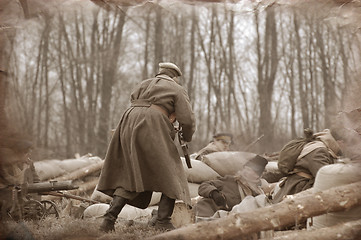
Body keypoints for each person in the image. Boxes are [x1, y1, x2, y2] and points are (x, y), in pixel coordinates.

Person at [97, 62, 196, 232]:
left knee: (131, 174)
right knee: (173, 173)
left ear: (160, 72)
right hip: (151, 125)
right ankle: (162, 221)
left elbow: (137, 103)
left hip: (128, 123)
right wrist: (186, 137)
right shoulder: (176, 89)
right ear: (174, 76)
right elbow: (187, 119)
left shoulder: (143, 84)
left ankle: (109, 219)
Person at [272, 129, 341, 203]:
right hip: (298, 189)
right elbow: (324, 177)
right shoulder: (319, 150)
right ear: (339, 142)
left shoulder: (320, 147)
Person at [193, 155, 268, 218]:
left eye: (249, 170)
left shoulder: (259, 195)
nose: (245, 171)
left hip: (230, 219)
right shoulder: (230, 181)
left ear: (257, 175)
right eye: (245, 168)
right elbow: (204, 185)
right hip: (209, 212)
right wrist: (213, 193)